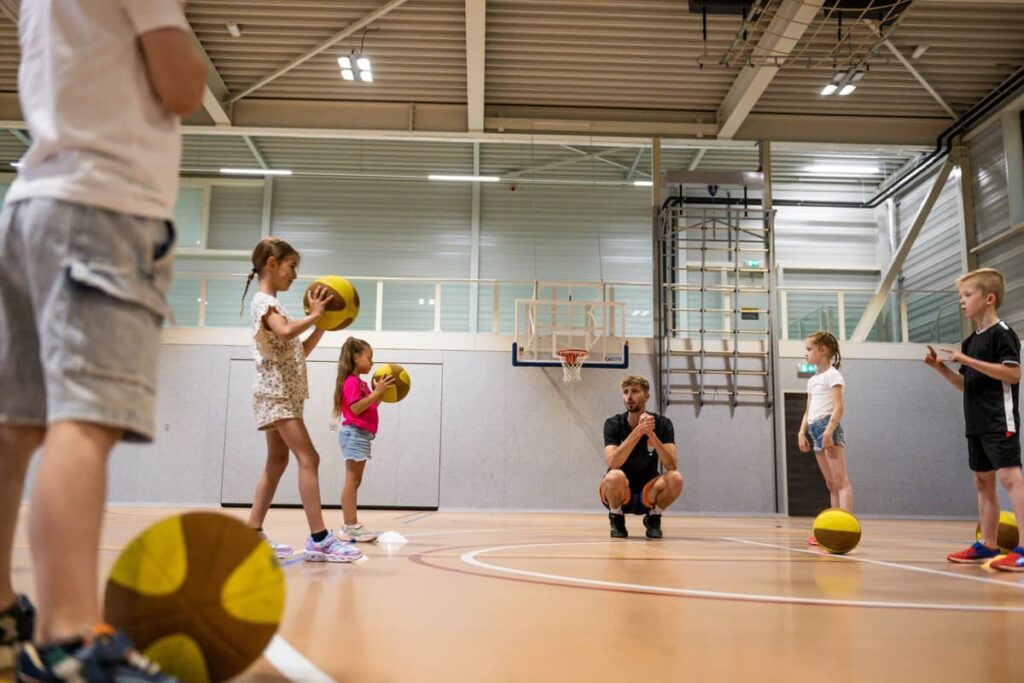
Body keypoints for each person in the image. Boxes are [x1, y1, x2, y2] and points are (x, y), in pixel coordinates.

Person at [0, 0, 206, 677]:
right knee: (84, 421)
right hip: (103, 204)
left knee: (16, 423)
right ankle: (68, 641)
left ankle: (5, 616)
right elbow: (181, 85)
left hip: (31, 203)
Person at [242, 238, 364, 564]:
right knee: (309, 457)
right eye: (291, 265)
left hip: (285, 395)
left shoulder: (278, 306)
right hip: (276, 393)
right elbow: (284, 332)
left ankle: (252, 534)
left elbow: (299, 350)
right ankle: (320, 539)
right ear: (271, 263)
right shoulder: (264, 303)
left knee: (277, 462)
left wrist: (320, 323)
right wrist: (314, 315)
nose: (295, 275)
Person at [925, 268, 1024, 572]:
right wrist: (940, 368)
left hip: (999, 417)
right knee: (983, 482)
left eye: (968, 295)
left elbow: (1013, 374)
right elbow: (967, 385)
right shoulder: (970, 342)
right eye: (961, 297)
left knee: (1010, 478)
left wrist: (966, 361)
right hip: (976, 421)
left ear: (989, 298)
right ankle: (988, 544)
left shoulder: (1003, 334)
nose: (962, 302)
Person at [599, 375, 684, 539]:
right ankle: (616, 517)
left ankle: (653, 517)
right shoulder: (613, 424)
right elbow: (612, 462)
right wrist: (638, 431)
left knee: (676, 478)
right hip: (621, 492)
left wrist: (651, 434)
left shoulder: (663, 424)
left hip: (648, 492)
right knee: (614, 475)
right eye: (625, 392)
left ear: (647, 396)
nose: (629, 396)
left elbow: (671, 465)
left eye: (635, 391)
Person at [333, 337, 395, 542]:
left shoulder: (360, 382)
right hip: (354, 434)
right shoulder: (351, 382)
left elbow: (370, 407)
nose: (372, 363)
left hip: (360, 435)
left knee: (355, 480)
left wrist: (380, 395)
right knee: (352, 480)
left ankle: (351, 525)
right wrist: (376, 392)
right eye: (369, 358)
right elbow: (355, 408)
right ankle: (350, 526)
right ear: (355, 357)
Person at [798, 331, 853, 546]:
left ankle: (846, 528)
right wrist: (802, 432)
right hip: (814, 428)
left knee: (841, 482)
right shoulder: (812, 380)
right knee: (831, 484)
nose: (806, 354)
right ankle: (832, 527)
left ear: (823, 351)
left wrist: (829, 432)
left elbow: (839, 408)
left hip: (827, 427)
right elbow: (808, 409)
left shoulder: (833, 375)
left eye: (809, 349)